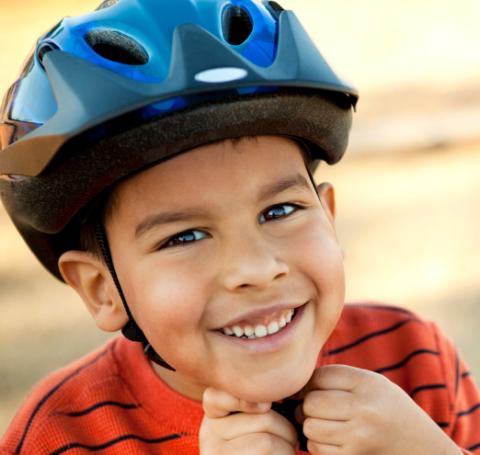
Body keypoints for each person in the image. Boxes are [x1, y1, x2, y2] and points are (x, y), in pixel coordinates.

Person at [0, 0, 478, 453]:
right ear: (101, 288)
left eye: (280, 211)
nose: (256, 268)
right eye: (184, 236)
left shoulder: (414, 358)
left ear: (329, 219)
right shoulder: (62, 434)